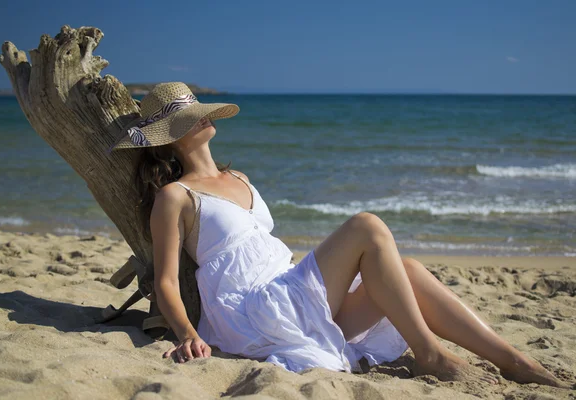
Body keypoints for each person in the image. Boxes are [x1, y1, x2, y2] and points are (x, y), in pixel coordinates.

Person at [108, 82, 568, 387]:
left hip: (289, 295)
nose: (201, 119)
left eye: (199, 112)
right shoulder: (176, 196)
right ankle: (430, 354)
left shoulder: (241, 177)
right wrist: (186, 331)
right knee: (366, 225)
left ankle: (513, 360)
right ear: (167, 139)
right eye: (185, 119)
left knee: (406, 270)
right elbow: (167, 280)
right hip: (256, 310)